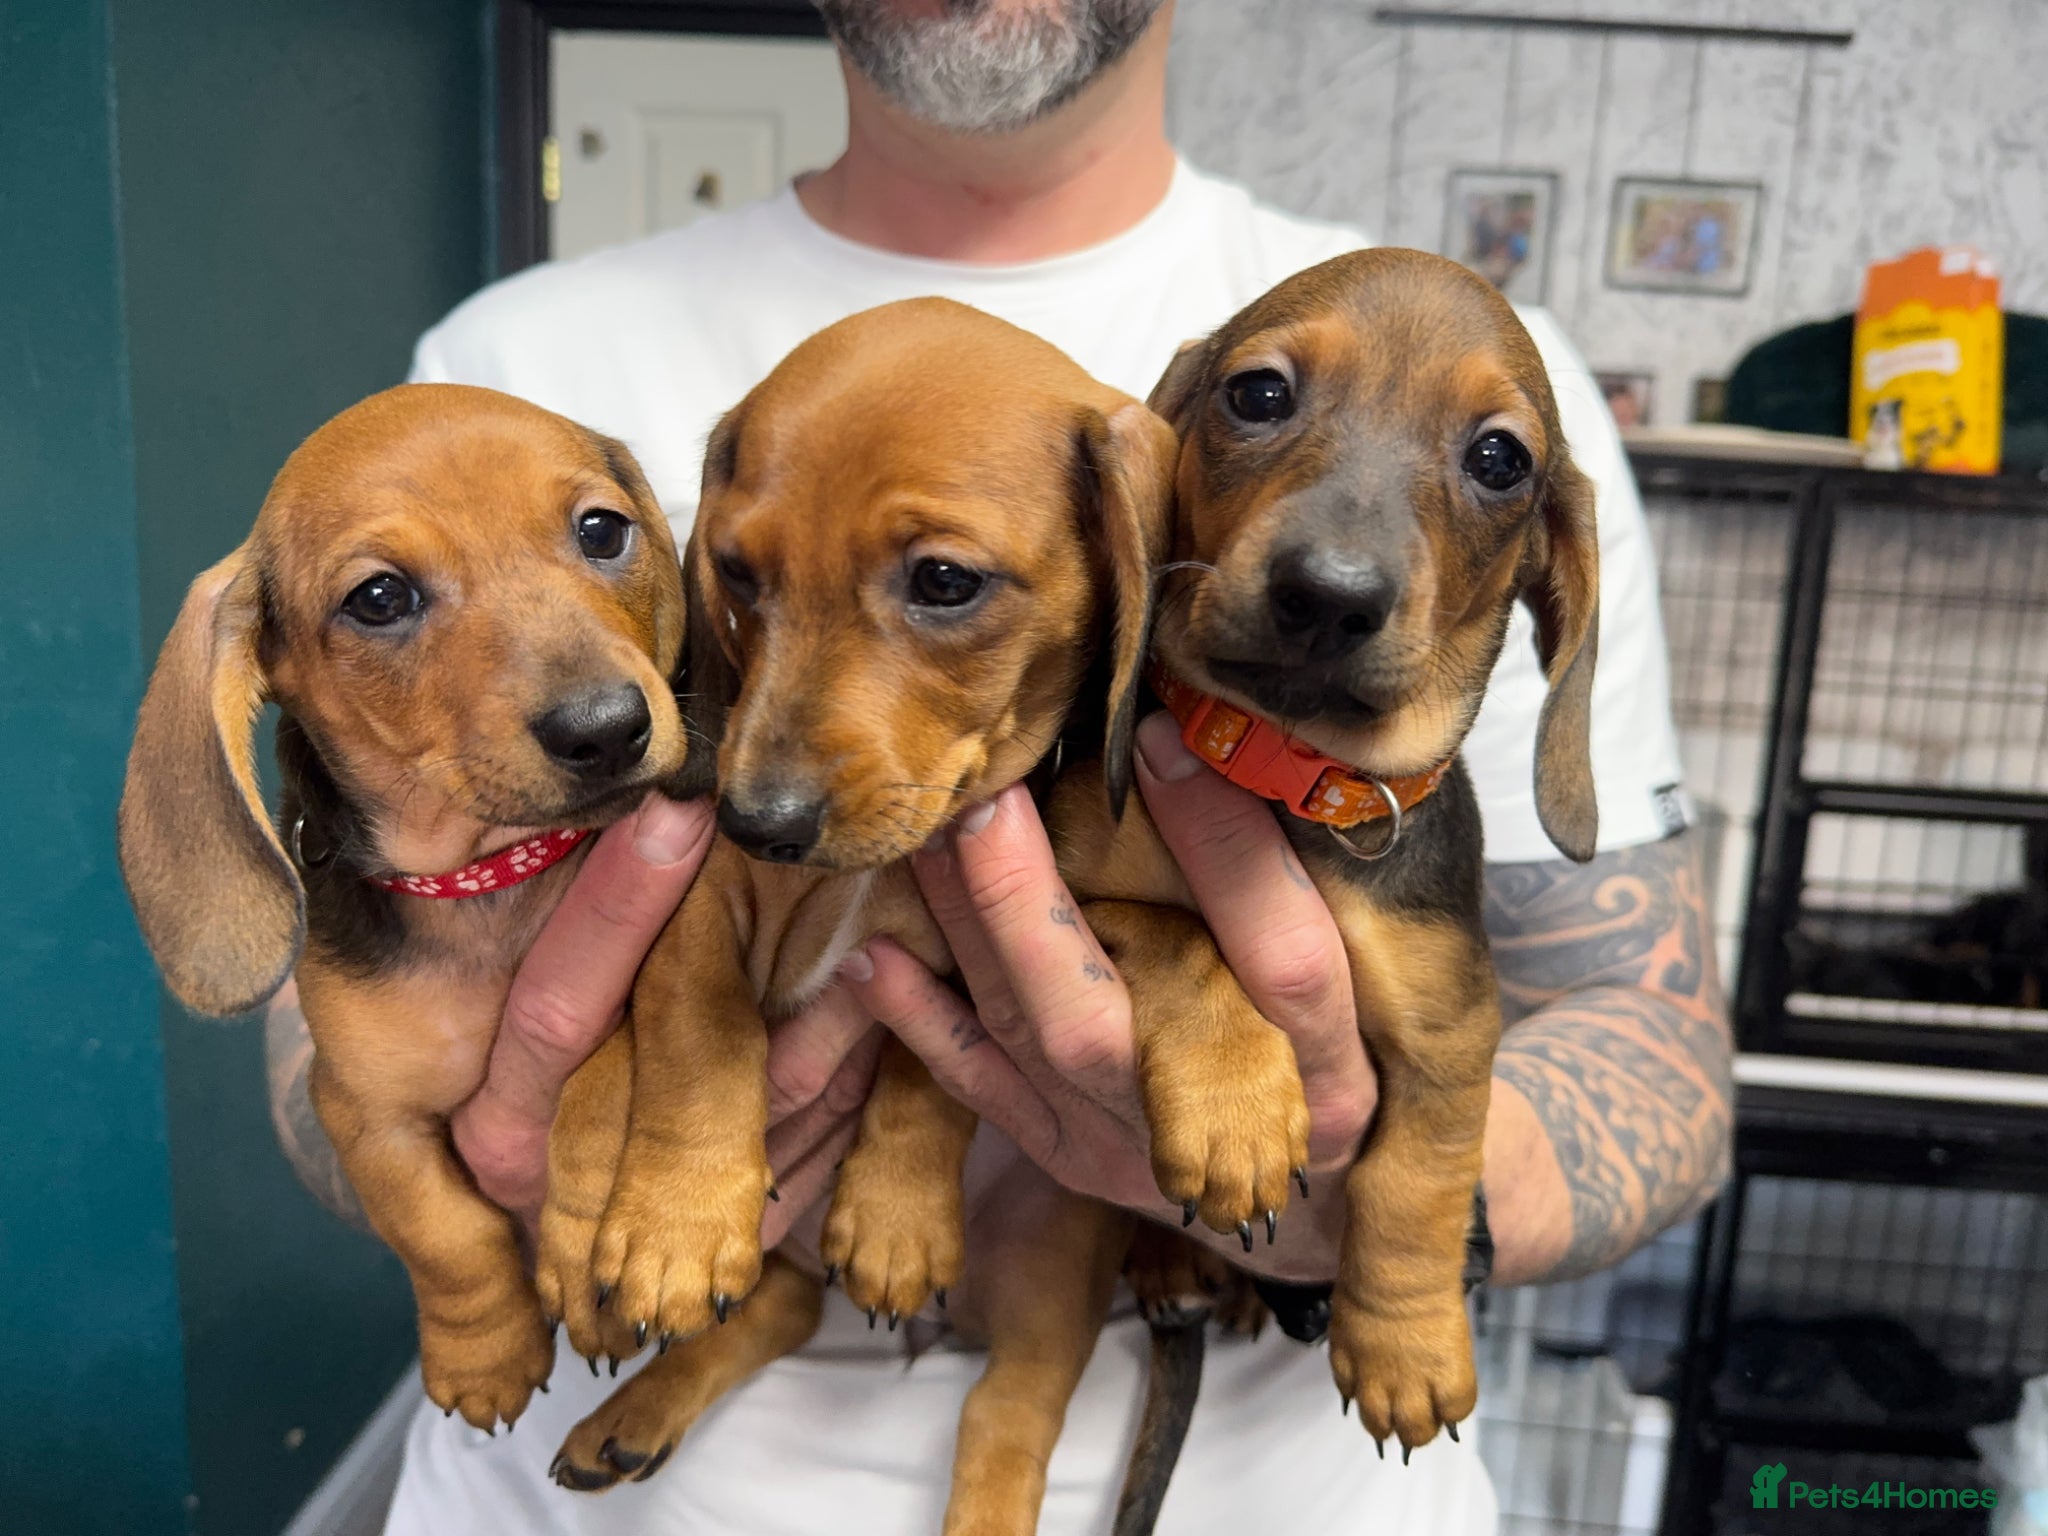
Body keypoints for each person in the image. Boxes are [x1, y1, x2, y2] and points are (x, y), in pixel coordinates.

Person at [265, 2, 1732, 1530]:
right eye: (744, 587)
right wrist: (498, 1145)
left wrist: (1380, 1225)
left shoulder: (1435, 419)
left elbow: (1657, 1036)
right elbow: (343, 1011)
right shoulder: (506, 385)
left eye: (950, 585)